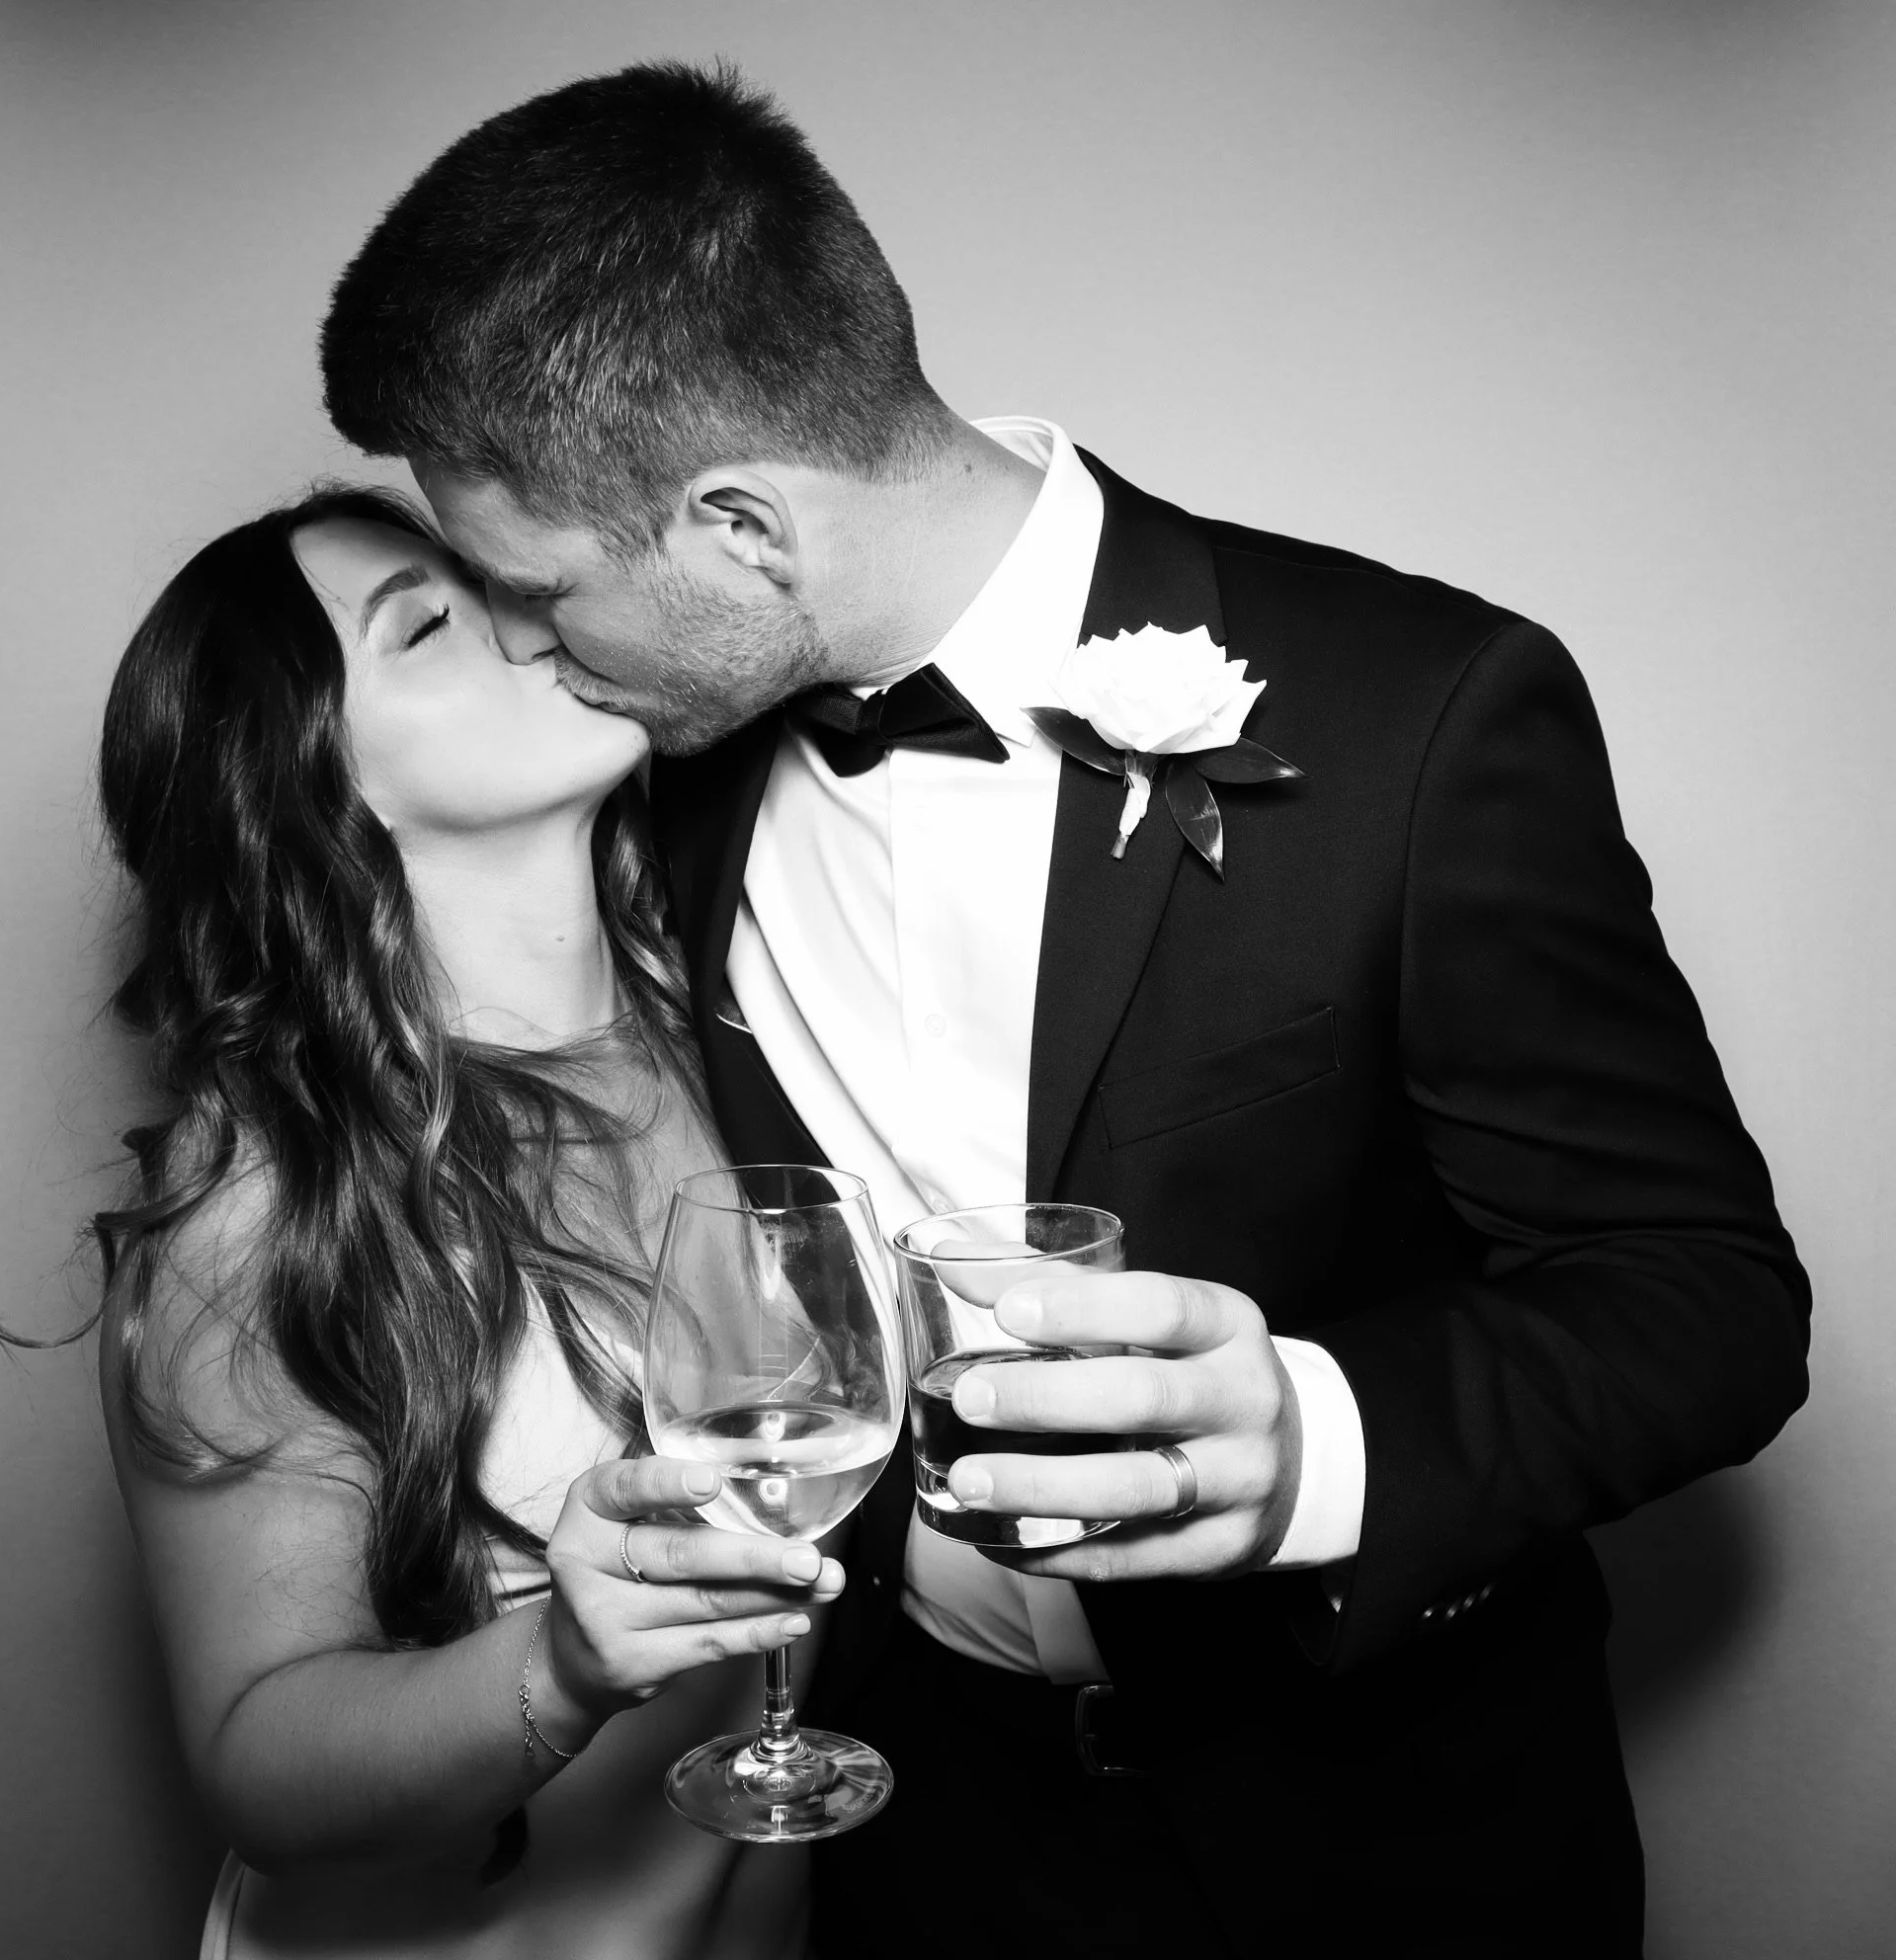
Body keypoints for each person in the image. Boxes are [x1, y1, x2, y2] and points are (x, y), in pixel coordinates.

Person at [316, 62, 1812, 1958]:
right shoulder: (663, 783)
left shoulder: (1422, 719)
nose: (532, 642)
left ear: (743, 531)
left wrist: (1318, 1432)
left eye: (539, 587)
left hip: (1378, 1846)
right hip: (927, 1828)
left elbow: (1707, 1297)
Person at [95, 484, 844, 1960]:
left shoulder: (740, 1034)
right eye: (430, 623)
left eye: (494, 575)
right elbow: (258, 1759)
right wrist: (561, 1667)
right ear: (317, 783)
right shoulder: (276, 1196)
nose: (530, 610)